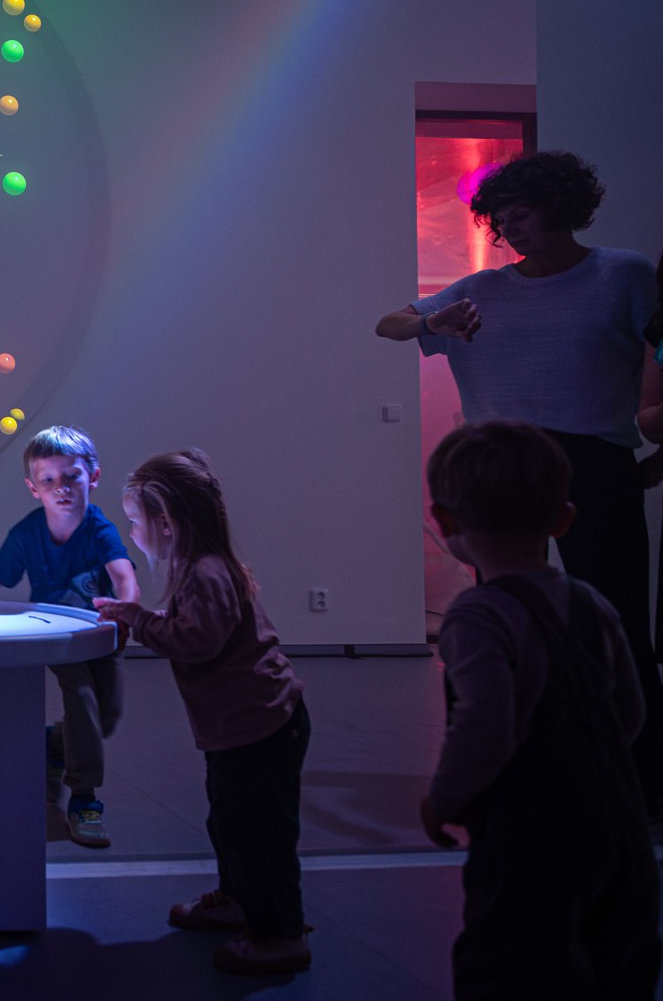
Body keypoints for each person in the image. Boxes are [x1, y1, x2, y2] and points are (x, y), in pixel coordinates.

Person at [375, 149, 663, 817]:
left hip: (593, 459)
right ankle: (507, 765)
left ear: (560, 208)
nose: (509, 229)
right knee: (503, 620)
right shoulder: (481, 289)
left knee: (619, 619)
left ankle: (642, 779)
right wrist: (432, 322)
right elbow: (389, 324)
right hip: (501, 464)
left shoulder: (623, 274)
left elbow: (658, 358)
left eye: (521, 214)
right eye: (501, 219)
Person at [421, 421, 659, 1000]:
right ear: (564, 519)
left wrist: (443, 798)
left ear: (445, 522)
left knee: (512, 963)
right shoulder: (591, 602)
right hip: (615, 821)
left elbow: (484, 723)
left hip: (529, 831)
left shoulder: (477, 615)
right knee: (616, 958)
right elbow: (629, 709)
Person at [93, 450, 311, 976]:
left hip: (259, 726)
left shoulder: (207, 573)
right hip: (243, 726)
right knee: (231, 821)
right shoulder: (200, 568)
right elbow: (196, 627)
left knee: (257, 833)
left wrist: (139, 621)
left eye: (135, 521)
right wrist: (143, 616)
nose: (132, 531)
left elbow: (197, 641)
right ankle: (240, 900)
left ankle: (280, 935)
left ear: (166, 523)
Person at [0, 426, 139, 849]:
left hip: (103, 635)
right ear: (33, 488)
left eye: (71, 476)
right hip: (61, 636)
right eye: (48, 480)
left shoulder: (100, 531)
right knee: (83, 702)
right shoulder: (27, 534)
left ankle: (52, 745)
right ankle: (85, 798)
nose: (61, 488)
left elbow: (125, 578)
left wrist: (125, 614)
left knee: (106, 718)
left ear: (93, 477)